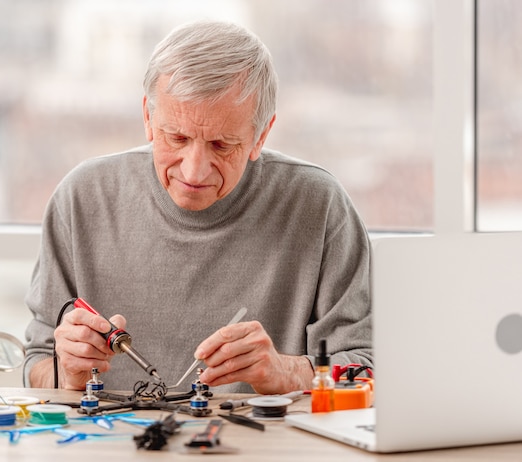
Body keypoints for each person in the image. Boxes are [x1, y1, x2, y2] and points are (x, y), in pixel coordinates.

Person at [24, 20, 372, 395]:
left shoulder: (319, 205)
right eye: (177, 137)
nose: (194, 171)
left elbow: (366, 370)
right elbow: (37, 366)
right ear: (148, 119)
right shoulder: (82, 197)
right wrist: (68, 374)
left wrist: (286, 372)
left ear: (261, 136)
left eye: (221, 146)